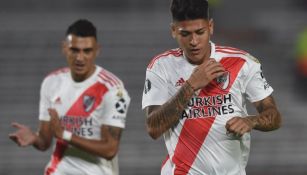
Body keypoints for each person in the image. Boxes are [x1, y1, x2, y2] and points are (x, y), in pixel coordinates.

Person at [142, 0, 282, 174]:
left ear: (211, 26)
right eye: (185, 34)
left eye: (200, 32)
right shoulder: (161, 66)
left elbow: (274, 117)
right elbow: (154, 128)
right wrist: (191, 85)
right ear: (173, 31)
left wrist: (251, 120)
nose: (193, 41)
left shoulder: (242, 62)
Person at [9, 19, 130, 175]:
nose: (80, 58)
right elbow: (45, 142)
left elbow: (110, 149)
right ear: (64, 48)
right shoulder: (51, 82)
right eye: (74, 50)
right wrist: (34, 138)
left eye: (87, 51)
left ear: (97, 50)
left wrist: (65, 135)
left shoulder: (112, 88)